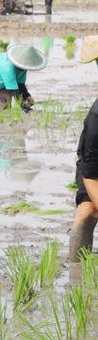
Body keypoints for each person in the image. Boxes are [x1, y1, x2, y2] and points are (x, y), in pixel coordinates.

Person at [68, 35, 98, 262]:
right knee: (88, 210)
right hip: (94, 165)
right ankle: (77, 266)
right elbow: (89, 171)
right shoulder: (97, 116)